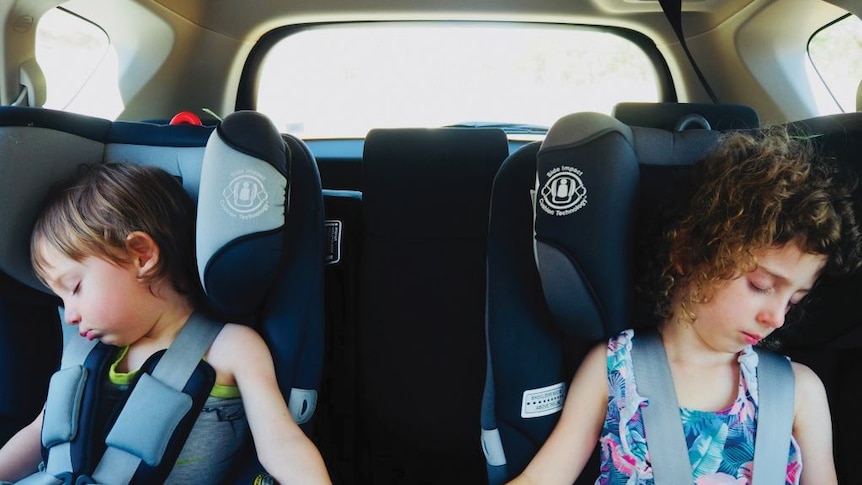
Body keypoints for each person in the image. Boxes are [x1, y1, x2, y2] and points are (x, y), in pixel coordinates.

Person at [508, 128, 862, 485]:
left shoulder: (799, 391)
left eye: (795, 299)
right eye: (761, 286)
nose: (777, 316)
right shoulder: (616, 370)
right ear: (688, 255)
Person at [0, 162, 332, 484]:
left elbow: (281, 446)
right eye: (61, 300)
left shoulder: (230, 348)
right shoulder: (86, 354)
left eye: (74, 288)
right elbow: (40, 431)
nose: (69, 314)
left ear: (142, 256)